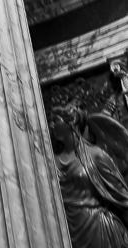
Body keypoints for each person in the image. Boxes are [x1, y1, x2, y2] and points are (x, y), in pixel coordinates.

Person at [51, 104, 128, 247]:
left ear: (71, 121)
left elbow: (122, 196)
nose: (51, 125)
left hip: (99, 231)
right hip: (67, 229)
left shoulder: (96, 155)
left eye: (56, 120)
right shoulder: (51, 160)